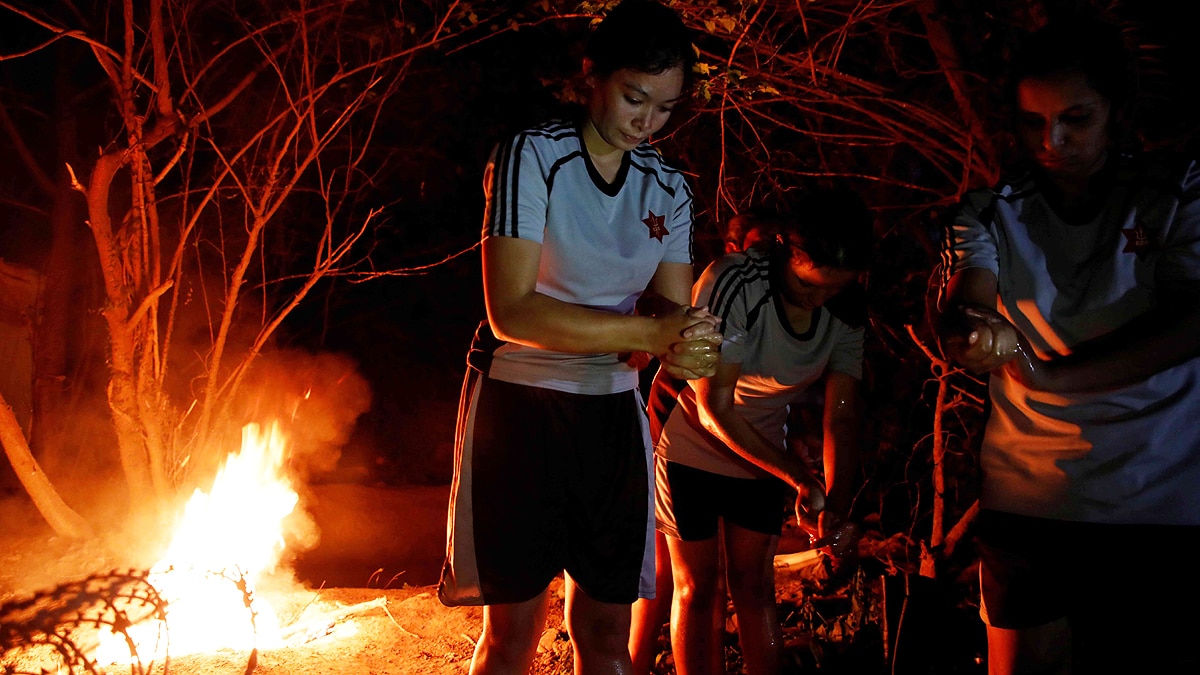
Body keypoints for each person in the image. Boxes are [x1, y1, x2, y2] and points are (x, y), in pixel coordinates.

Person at [437, 2, 724, 674]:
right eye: (634, 98)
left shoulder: (668, 188)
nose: (647, 122)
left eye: (665, 108)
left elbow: (670, 320)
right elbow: (512, 312)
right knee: (512, 632)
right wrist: (649, 331)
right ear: (593, 74)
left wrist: (690, 341)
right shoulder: (532, 156)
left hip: (612, 412)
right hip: (519, 403)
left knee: (604, 631)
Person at [935, 16, 1200, 675]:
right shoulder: (990, 210)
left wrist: (1053, 377)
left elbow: (1188, 324)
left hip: (1157, 495)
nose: (1051, 141)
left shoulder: (1176, 191)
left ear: (1117, 111)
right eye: (1033, 122)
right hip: (1031, 496)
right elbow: (967, 296)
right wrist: (970, 331)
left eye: (1075, 118)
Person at [635, 190, 872, 675]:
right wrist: (799, 476)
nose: (818, 300)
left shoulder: (846, 310)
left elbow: (842, 415)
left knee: (755, 586)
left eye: (832, 290)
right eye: (807, 286)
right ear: (783, 249)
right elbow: (714, 408)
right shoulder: (735, 282)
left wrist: (836, 500)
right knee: (697, 586)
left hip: (761, 447)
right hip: (688, 437)